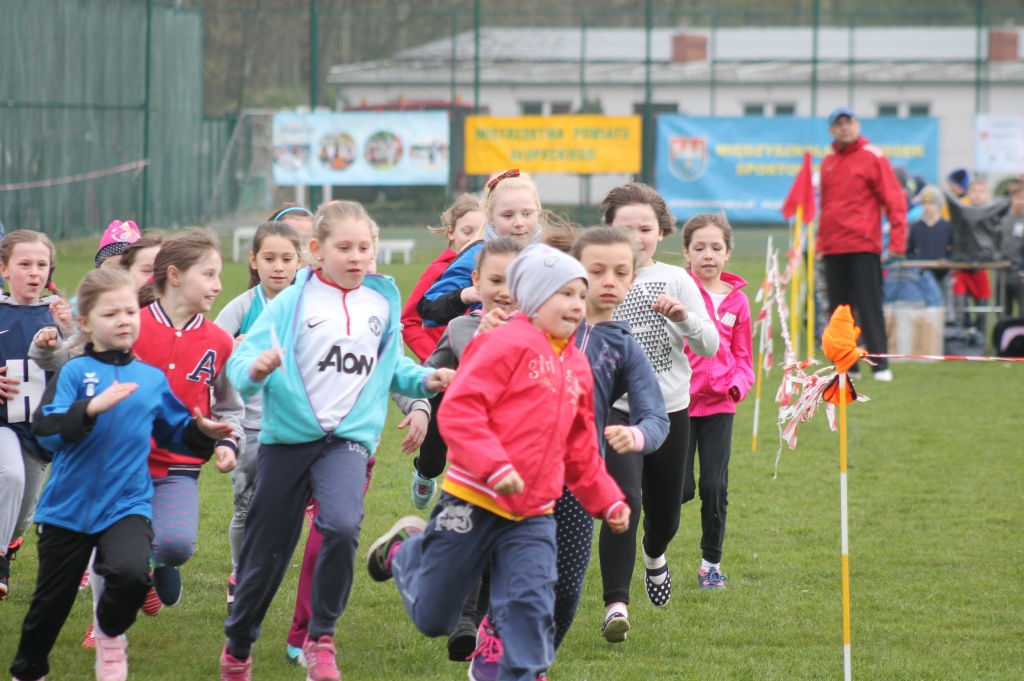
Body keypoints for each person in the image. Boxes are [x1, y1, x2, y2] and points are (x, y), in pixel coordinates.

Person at [367, 243, 630, 681]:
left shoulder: (578, 366)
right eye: (563, 294)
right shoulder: (502, 343)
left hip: (533, 515)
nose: (575, 305)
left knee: (530, 604)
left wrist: (608, 500)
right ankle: (404, 552)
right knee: (433, 617)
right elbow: (460, 411)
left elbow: (581, 447)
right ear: (532, 296)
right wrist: (495, 466)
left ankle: (507, 669)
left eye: (579, 297)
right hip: (473, 500)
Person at [219, 200, 454, 681]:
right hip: (286, 444)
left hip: (347, 444)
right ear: (316, 251)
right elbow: (240, 365)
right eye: (343, 247)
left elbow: (391, 367)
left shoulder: (380, 300)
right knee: (266, 554)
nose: (355, 257)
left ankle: (320, 638)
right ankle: (238, 645)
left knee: (343, 525)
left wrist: (426, 381)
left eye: (364, 248)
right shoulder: (292, 301)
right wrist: (256, 369)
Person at [8, 268, 233, 681]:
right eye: (111, 314)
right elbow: (45, 430)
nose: (124, 320)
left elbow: (175, 432)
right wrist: (90, 410)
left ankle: (111, 638)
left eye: (130, 311)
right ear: (85, 323)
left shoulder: (150, 379)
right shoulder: (74, 372)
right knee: (50, 605)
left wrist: (204, 434)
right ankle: (29, 669)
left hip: (126, 505)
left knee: (131, 574)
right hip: (66, 510)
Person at [598, 183, 719, 641]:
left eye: (644, 228)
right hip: (616, 411)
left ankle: (654, 553)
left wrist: (683, 319)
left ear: (662, 232)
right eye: (624, 228)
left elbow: (709, 344)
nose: (635, 236)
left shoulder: (676, 279)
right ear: (606, 231)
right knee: (622, 503)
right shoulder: (594, 276)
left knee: (668, 510)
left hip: (669, 411)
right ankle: (615, 606)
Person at [134, 230, 242, 614]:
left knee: (176, 546)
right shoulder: (129, 326)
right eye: (209, 275)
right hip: (122, 461)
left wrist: (228, 443)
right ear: (175, 276)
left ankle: (155, 564)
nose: (218, 286)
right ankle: (104, 629)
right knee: (113, 546)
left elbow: (230, 408)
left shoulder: (220, 342)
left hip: (179, 465)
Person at [214, 221, 303, 615]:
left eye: (287, 259)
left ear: (300, 262)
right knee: (244, 507)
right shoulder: (243, 306)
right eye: (269, 258)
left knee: (281, 509)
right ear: (254, 260)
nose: (278, 267)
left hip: (294, 426)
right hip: (248, 426)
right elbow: (210, 347)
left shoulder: (307, 305)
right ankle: (240, 572)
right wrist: (232, 348)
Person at [681, 212, 754, 590]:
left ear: (727, 254)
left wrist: (737, 386)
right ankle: (652, 549)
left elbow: (745, 358)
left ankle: (711, 564)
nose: (708, 255)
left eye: (716, 247)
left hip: (719, 408)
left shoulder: (738, 303)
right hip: (677, 405)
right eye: (700, 248)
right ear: (686, 254)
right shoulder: (678, 293)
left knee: (713, 486)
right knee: (680, 489)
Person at [818, 106, 907, 381]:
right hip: (833, 246)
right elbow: (827, 206)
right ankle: (847, 364)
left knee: (869, 305)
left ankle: (881, 364)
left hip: (863, 244)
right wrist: (821, 242)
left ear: (857, 125)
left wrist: (897, 241)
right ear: (832, 129)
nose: (844, 128)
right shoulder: (828, 161)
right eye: (838, 124)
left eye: (849, 122)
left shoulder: (873, 157)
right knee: (839, 310)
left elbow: (894, 200)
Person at [0, 230, 65, 601]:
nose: (33, 272)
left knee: (23, 514)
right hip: (3, 424)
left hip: (39, 432)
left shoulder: (58, 313)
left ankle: (8, 545)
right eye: (24, 264)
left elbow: (83, 361)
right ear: (5, 269)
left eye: (41, 264)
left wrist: (71, 328)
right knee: (8, 475)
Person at [417, 169, 543, 327]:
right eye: (508, 215)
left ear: (538, 213)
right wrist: (466, 295)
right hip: (488, 347)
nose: (519, 222)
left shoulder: (548, 257)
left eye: (527, 213)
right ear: (490, 218)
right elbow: (428, 310)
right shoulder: (477, 255)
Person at [402, 194, 484, 362]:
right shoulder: (439, 270)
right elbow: (408, 321)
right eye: (467, 232)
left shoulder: (495, 273)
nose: (474, 239)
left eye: (482, 232)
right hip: (442, 379)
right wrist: (437, 359)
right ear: (451, 232)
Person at [906, 186, 953, 288]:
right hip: (922, 276)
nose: (927, 207)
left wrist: (947, 261)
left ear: (939, 205)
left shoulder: (947, 226)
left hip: (943, 275)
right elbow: (909, 251)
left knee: (944, 302)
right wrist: (917, 262)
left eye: (931, 203)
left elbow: (954, 249)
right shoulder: (915, 227)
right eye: (924, 203)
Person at [995, 181, 1024, 317]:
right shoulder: (1002, 220)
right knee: (1003, 312)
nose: (1021, 202)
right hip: (1003, 272)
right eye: (1018, 198)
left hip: (1020, 274)